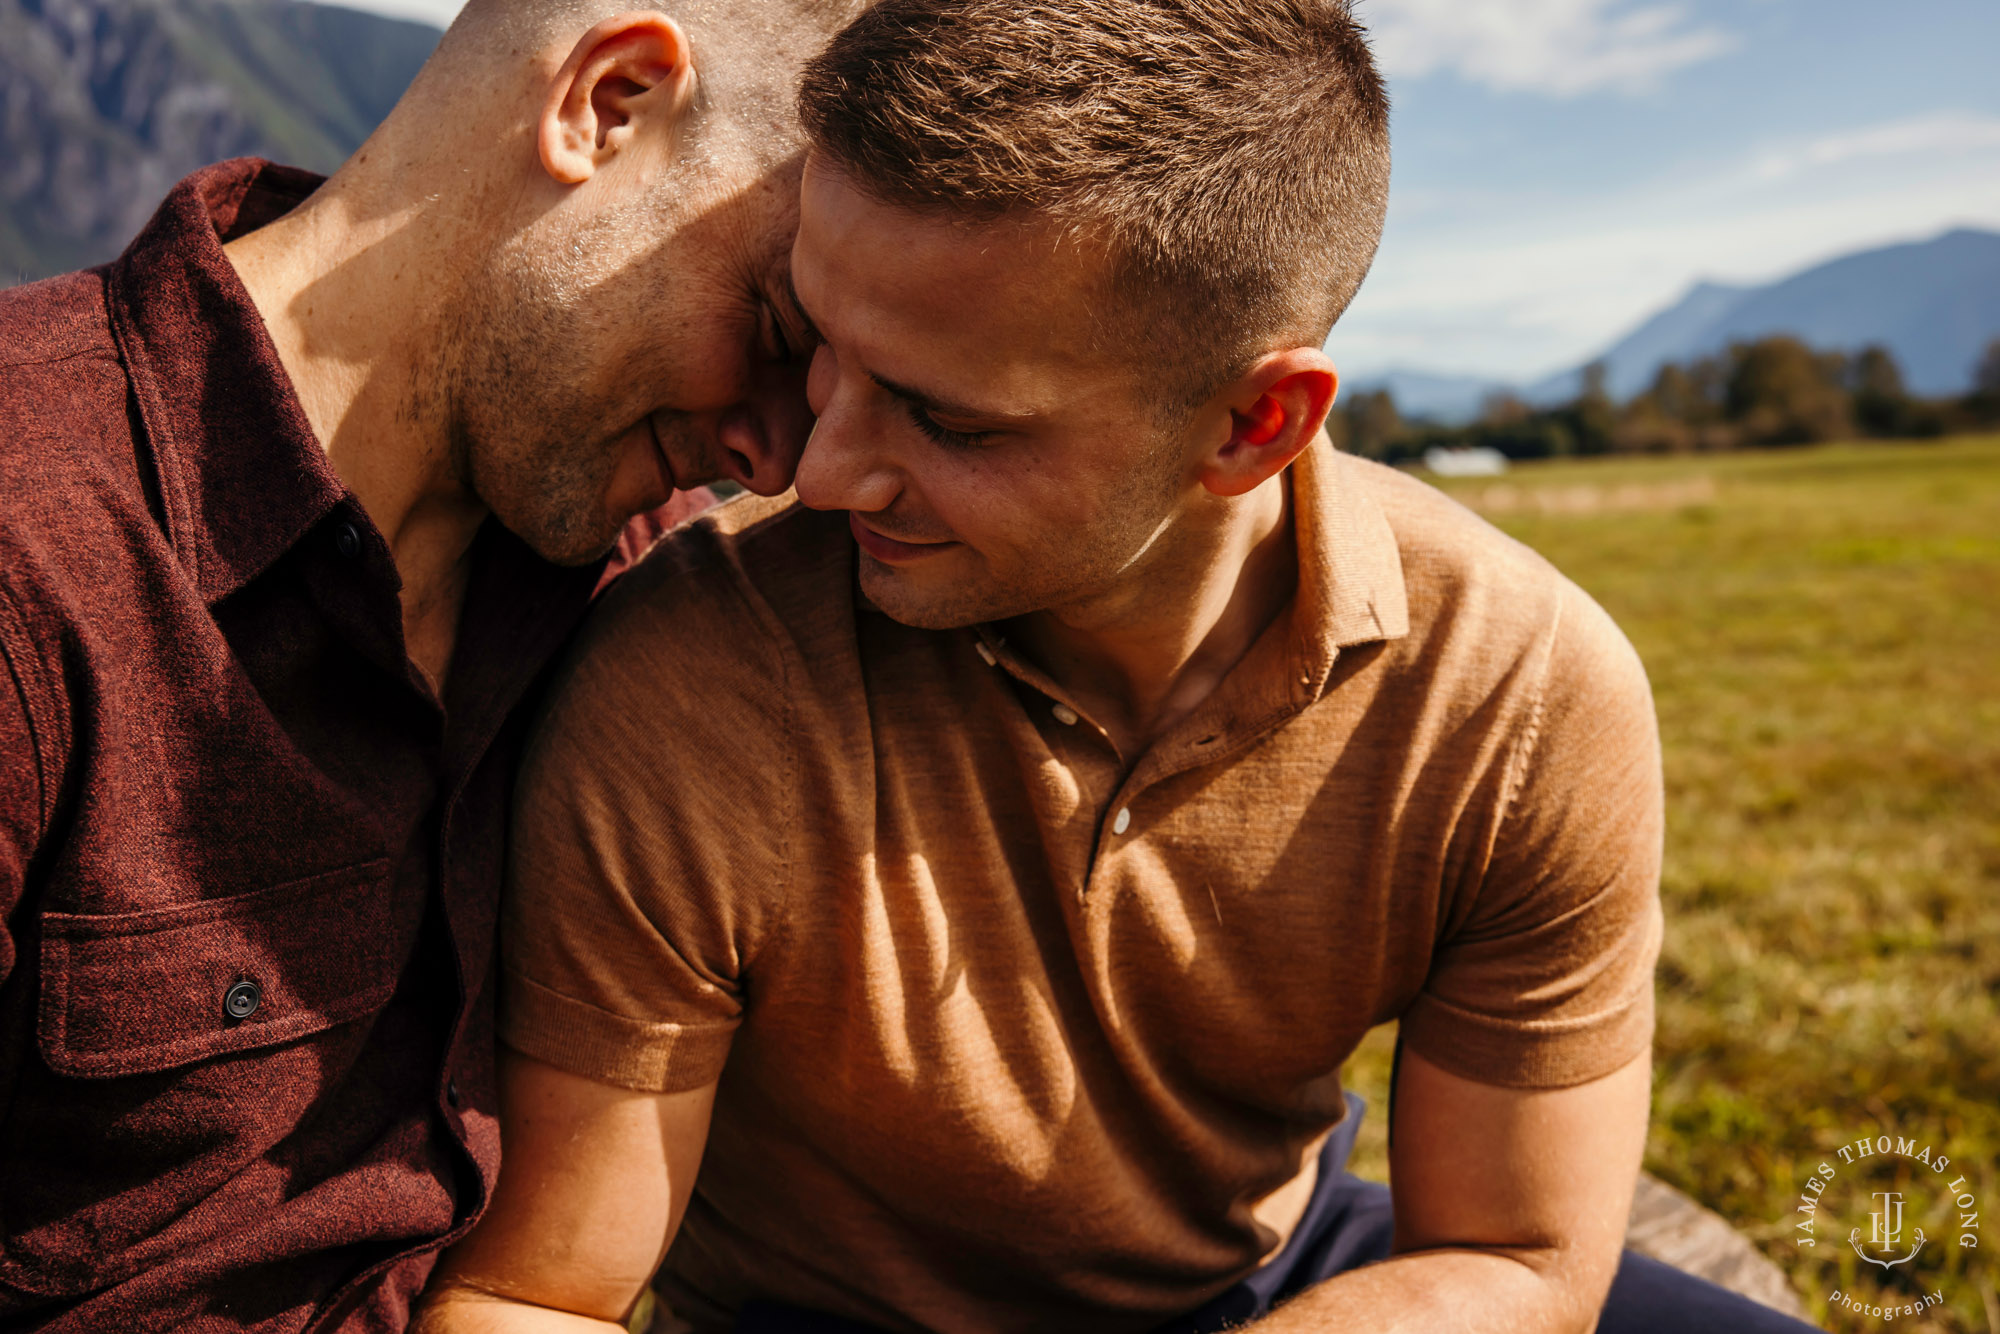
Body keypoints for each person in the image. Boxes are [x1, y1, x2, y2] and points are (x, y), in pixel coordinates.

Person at [422, 1, 1821, 1331]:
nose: (820, 467)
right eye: (818, 341)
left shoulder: (1519, 694)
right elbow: (546, 1292)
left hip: (1282, 1281)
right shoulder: (693, 678)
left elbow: (1509, 1253)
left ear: (1257, 420)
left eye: (945, 419)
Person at [0, 0, 860, 1326]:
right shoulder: (33, 560)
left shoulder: (651, 595)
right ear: (610, 103)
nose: (782, 460)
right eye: (778, 334)